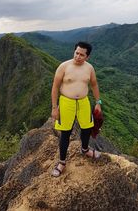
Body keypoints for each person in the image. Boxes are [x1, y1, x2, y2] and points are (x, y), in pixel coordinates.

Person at [51, 41, 102, 177]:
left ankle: (85, 150)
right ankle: (62, 162)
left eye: (82, 55)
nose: (78, 56)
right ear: (74, 51)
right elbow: (55, 87)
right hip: (66, 101)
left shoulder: (89, 68)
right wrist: (55, 107)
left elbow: (94, 85)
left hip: (84, 101)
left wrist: (98, 102)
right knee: (65, 133)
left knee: (86, 128)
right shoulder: (64, 66)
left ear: (87, 57)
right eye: (76, 53)